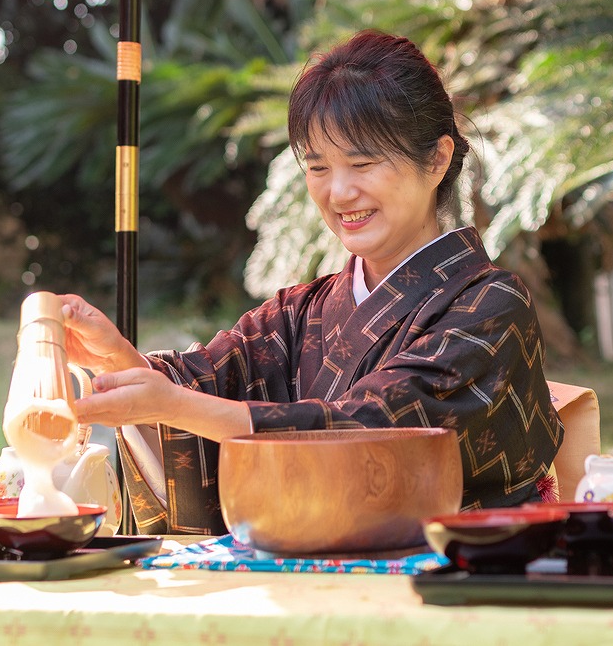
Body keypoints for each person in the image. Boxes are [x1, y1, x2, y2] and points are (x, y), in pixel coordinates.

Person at [60, 30, 564, 535]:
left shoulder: (493, 305)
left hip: (454, 588)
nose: (340, 191)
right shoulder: (300, 312)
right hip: (307, 585)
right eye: (318, 166)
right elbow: (202, 384)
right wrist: (119, 363)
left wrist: (172, 405)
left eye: (363, 163)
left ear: (436, 159)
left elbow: (376, 429)